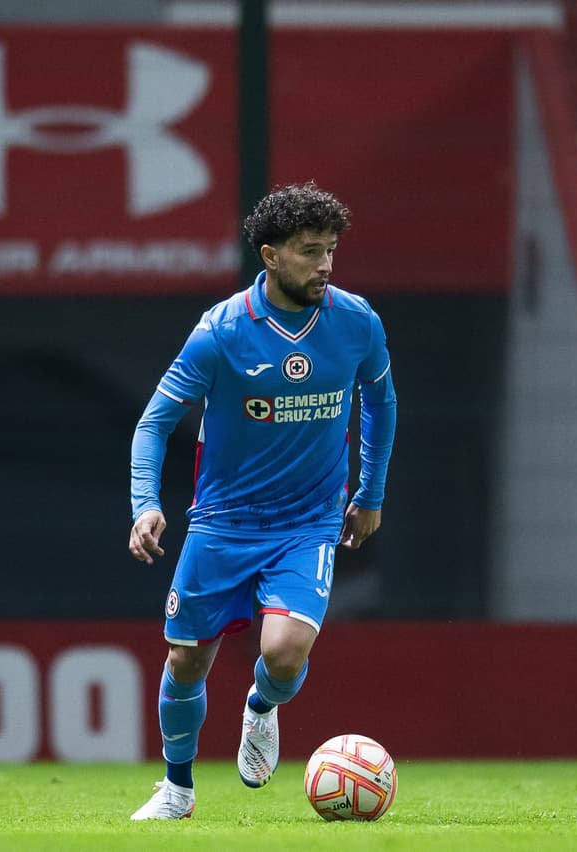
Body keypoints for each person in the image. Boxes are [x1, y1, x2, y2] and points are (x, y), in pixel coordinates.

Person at [127, 182, 397, 820]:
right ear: (270, 256)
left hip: (309, 523)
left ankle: (262, 706)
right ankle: (177, 789)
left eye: (331, 250)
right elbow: (154, 422)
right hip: (222, 523)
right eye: (310, 252)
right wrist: (145, 502)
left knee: (282, 652)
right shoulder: (221, 331)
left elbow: (380, 404)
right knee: (187, 660)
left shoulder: (356, 321)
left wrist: (371, 492)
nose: (326, 265)